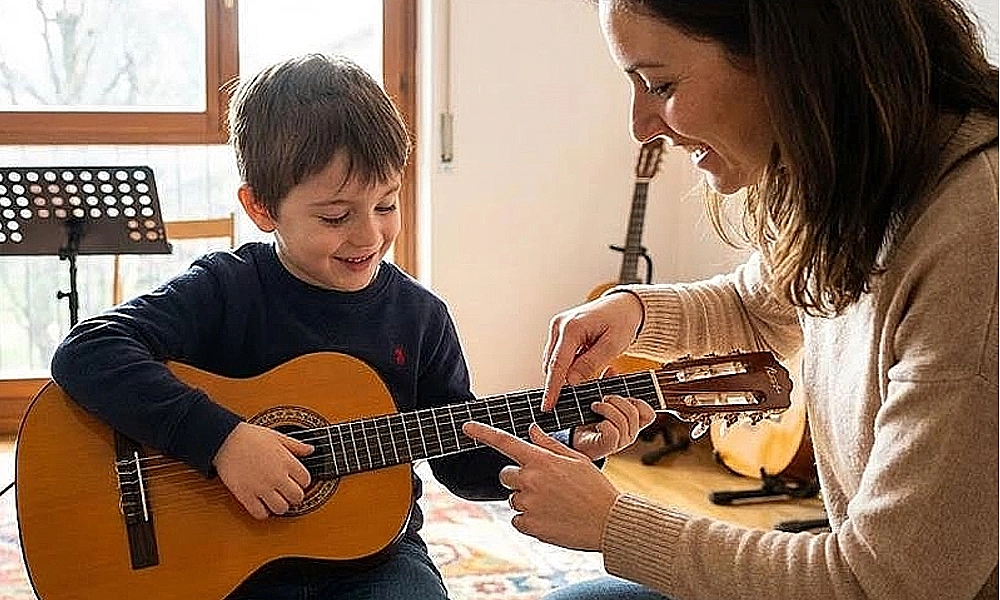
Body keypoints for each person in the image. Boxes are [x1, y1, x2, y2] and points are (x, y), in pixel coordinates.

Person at [49, 53, 652, 600]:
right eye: (336, 215)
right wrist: (222, 439)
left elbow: (464, 464)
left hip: (375, 560)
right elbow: (88, 351)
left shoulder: (420, 317)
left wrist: (574, 447)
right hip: (229, 560)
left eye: (386, 205)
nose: (368, 236)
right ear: (261, 208)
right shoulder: (227, 288)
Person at [463, 1, 999, 599]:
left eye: (660, 84)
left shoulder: (978, 236)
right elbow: (764, 306)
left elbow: (882, 585)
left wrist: (615, 524)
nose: (641, 125)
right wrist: (635, 313)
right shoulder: (860, 182)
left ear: (789, 54)